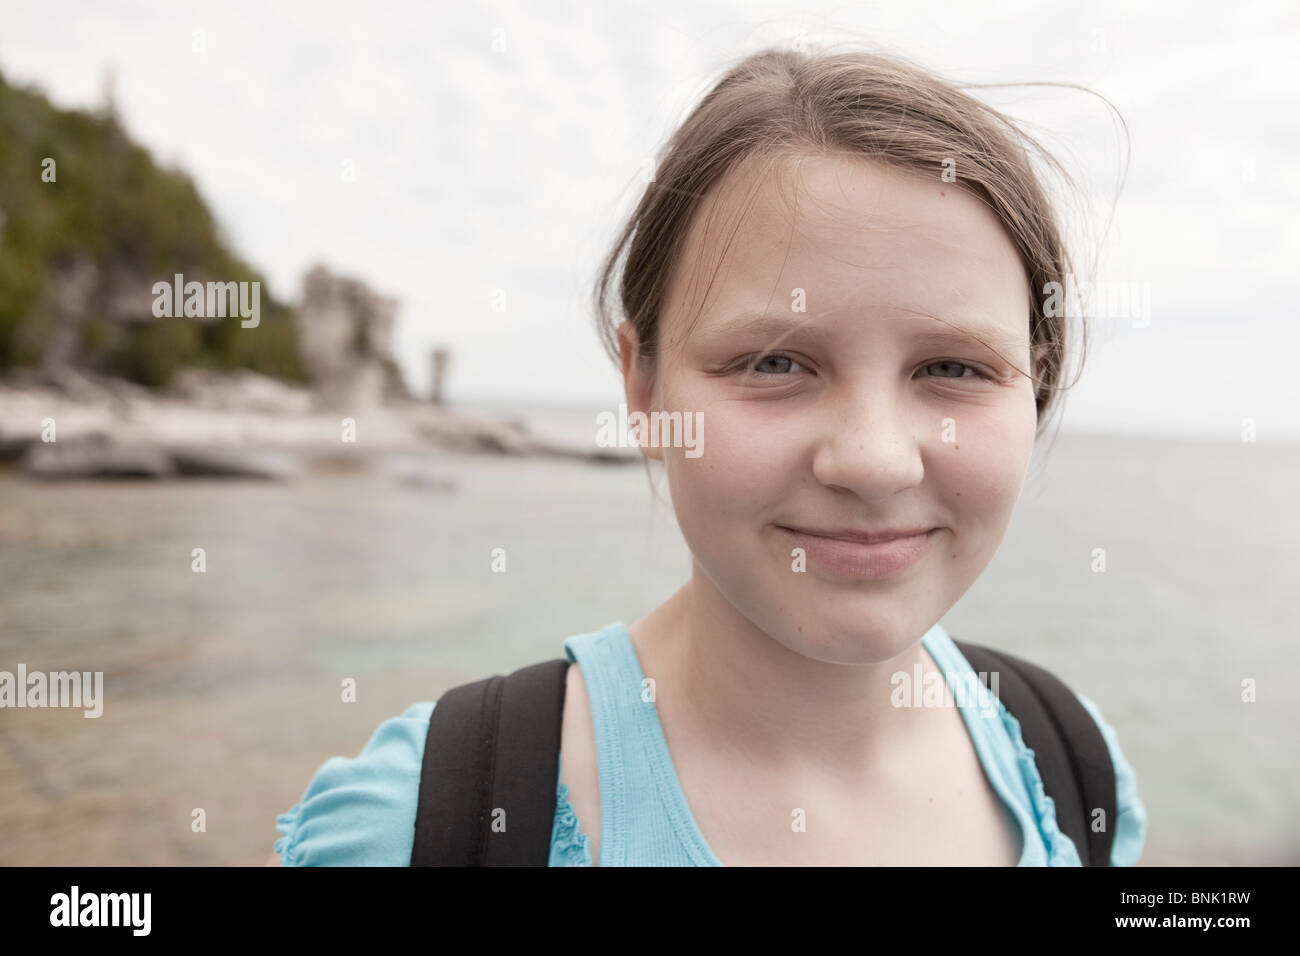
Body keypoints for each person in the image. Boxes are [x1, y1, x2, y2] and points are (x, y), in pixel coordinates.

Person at [269, 43, 1146, 867]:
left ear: (1034, 389)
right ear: (641, 385)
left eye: (954, 367)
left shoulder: (1076, 772)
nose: (875, 462)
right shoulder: (426, 823)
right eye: (774, 363)